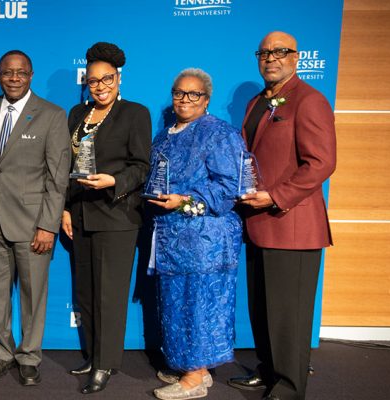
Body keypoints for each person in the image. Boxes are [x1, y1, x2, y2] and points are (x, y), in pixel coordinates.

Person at [231, 31, 337, 400]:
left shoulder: (309, 100)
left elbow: (321, 163)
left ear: (296, 57)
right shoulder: (256, 102)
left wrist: (276, 196)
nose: (271, 58)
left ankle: (290, 388)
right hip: (258, 222)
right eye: (264, 53)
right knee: (263, 311)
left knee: (289, 316)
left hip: (292, 225)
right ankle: (268, 371)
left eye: (280, 51)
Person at [146, 68, 245, 400]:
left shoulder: (220, 134)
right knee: (177, 304)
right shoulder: (164, 135)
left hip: (205, 240)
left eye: (193, 94)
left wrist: (186, 200)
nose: (185, 99)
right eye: (179, 93)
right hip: (171, 238)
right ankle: (194, 368)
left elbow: (230, 187)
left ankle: (193, 379)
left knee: (199, 305)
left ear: (206, 99)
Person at [61, 42, 152, 394]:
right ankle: (93, 354)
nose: (100, 87)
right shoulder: (76, 114)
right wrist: (65, 208)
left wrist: (113, 181)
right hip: (81, 214)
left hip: (116, 216)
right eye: (93, 80)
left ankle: (105, 363)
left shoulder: (134, 113)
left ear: (119, 78)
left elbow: (141, 166)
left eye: (107, 79)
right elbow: (66, 164)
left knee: (109, 295)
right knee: (86, 292)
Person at [0, 50, 71, 386]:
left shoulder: (52, 115)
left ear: (31, 75)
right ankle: (1, 353)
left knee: (33, 296)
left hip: (33, 224)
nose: (14, 78)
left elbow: (57, 177)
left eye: (21, 72)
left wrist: (48, 224)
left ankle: (29, 357)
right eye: (7, 72)